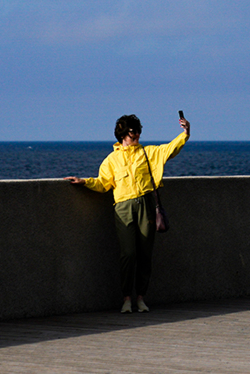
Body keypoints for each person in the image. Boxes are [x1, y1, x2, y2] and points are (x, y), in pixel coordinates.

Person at [67, 112, 191, 313]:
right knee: (128, 254)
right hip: (123, 209)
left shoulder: (148, 153)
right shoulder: (111, 160)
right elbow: (103, 183)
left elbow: (170, 149)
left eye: (138, 131)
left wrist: (185, 133)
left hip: (146, 205)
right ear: (123, 134)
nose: (137, 136)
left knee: (144, 254)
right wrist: (84, 182)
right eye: (133, 132)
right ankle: (126, 298)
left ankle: (140, 298)